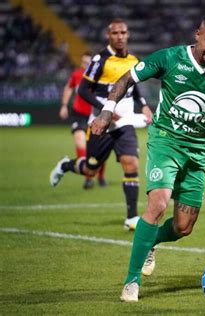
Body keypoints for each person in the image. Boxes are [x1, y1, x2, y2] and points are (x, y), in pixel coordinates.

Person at [90, 14, 205, 302]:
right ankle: (132, 281)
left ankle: (151, 241)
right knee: (158, 203)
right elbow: (128, 77)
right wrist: (106, 110)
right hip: (165, 141)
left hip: (198, 151)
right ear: (198, 35)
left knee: (182, 227)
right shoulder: (170, 58)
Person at [49, 19, 153, 231]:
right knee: (90, 169)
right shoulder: (100, 59)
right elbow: (84, 90)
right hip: (101, 124)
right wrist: (107, 110)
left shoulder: (133, 59)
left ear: (128, 34)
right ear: (109, 35)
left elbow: (135, 88)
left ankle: (131, 217)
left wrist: (143, 105)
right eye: (115, 33)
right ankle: (66, 165)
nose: (120, 36)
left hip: (124, 123)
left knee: (131, 164)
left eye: (123, 32)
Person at [58, 52, 107, 189]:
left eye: (88, 63)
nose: (85, 65)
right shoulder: (77, 75)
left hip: (96, 115)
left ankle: (101, 176)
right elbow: (68, 87)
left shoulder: (100, 77)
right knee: (81, 143)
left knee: (99, 148)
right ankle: (88, 178)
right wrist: (64, 105)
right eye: (83, 62)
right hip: (79, 114)